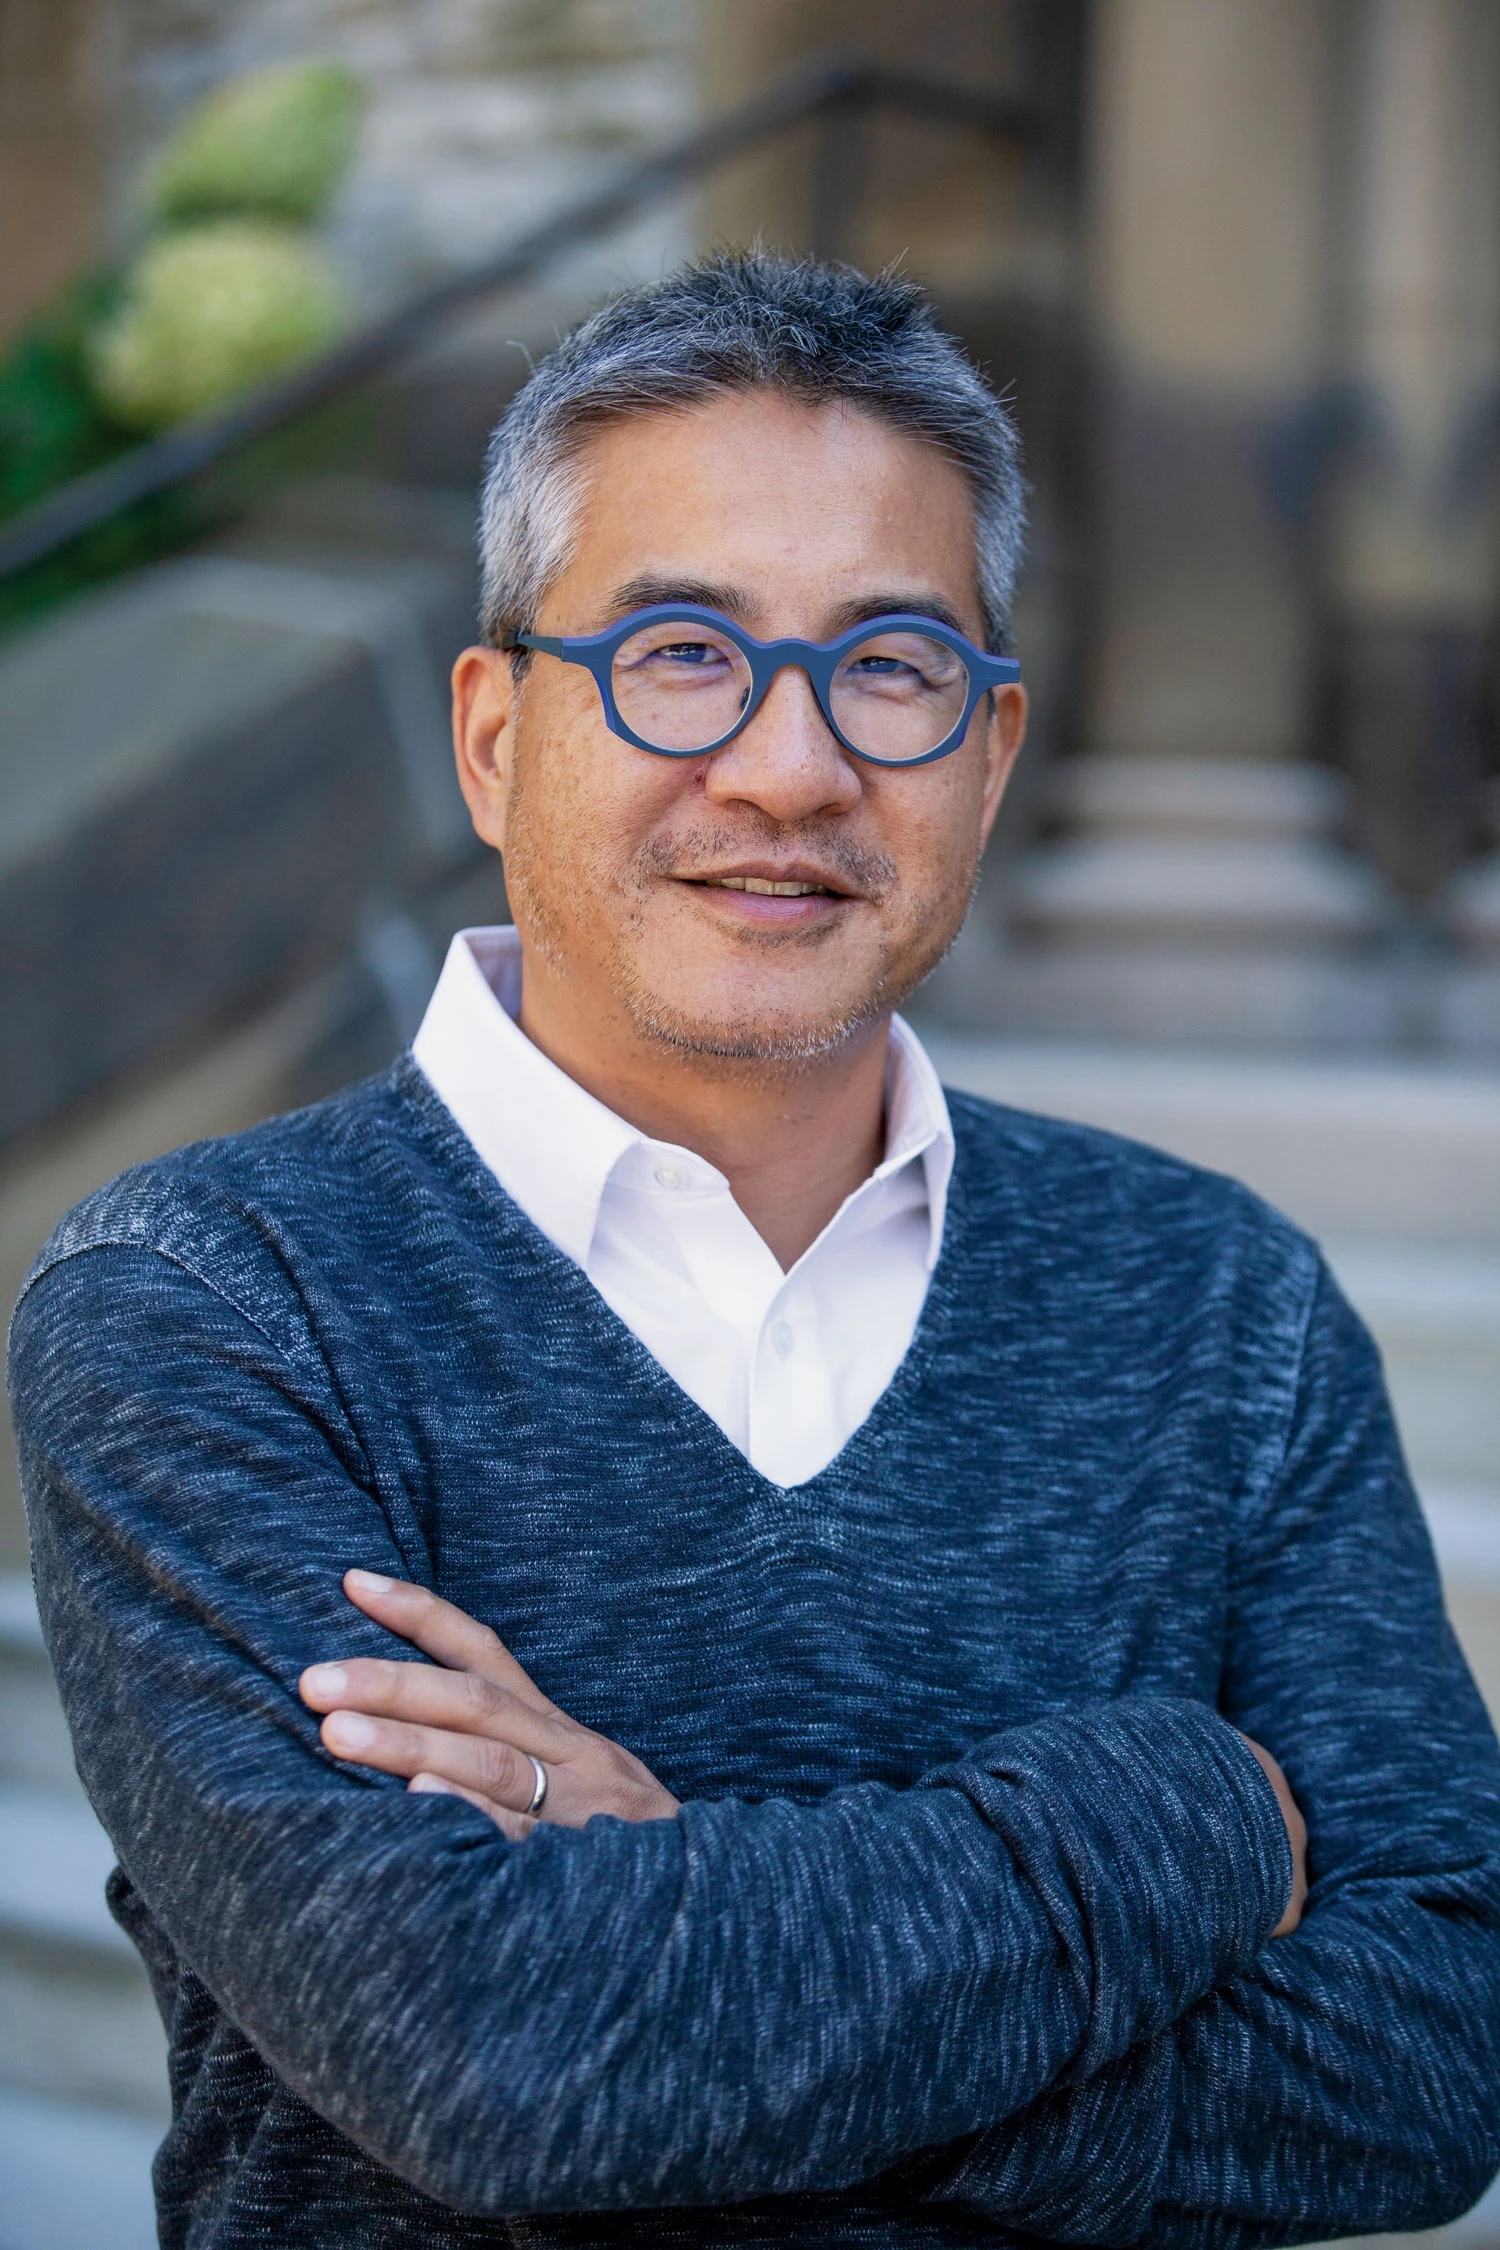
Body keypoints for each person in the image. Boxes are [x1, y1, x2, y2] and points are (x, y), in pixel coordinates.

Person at [9, 250, 1500, 2250]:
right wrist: (1190, 1811)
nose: (791, 769)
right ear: (490, 737)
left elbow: (1433, 2061)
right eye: (682, 652)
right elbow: (506, 2063)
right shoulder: (208, 1303)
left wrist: (678, 1904)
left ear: (985, 755)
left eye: (890, 666)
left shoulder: (1225, 1305)